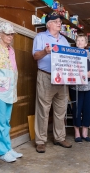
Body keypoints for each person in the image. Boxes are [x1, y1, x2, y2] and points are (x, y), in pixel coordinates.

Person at [32, 11, 72, 153]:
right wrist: (45, 51)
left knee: (61, 109)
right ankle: (40, 141)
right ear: (49, 24)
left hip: (62, 78)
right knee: (43, 109)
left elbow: (70, 57)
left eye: (60, 21)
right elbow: (35, 56)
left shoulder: (64, 40)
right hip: (46, 76)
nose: (59, 23)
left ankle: (59, 137)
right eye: (56, 21)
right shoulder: (40, 37)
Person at [0, 22, 22, 162]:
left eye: (12, 34)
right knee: (0, 120)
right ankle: (2, 151)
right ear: (0, 34)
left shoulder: (10, 50)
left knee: (6, 120)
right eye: (7, 34)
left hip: (10, 89)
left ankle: (8, 148)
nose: (10, 36)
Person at [68, 35, 90, 143]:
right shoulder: (71, 54)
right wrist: (82, 73)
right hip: (76, 87)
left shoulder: (88, 53)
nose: (80, 42)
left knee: (87, 109)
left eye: (82, 41)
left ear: (85, 44)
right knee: (77, 109)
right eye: (78, 40)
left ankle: (85, 133)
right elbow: (69, 67)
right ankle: (77, 133)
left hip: (89, 86)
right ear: (76, 43)